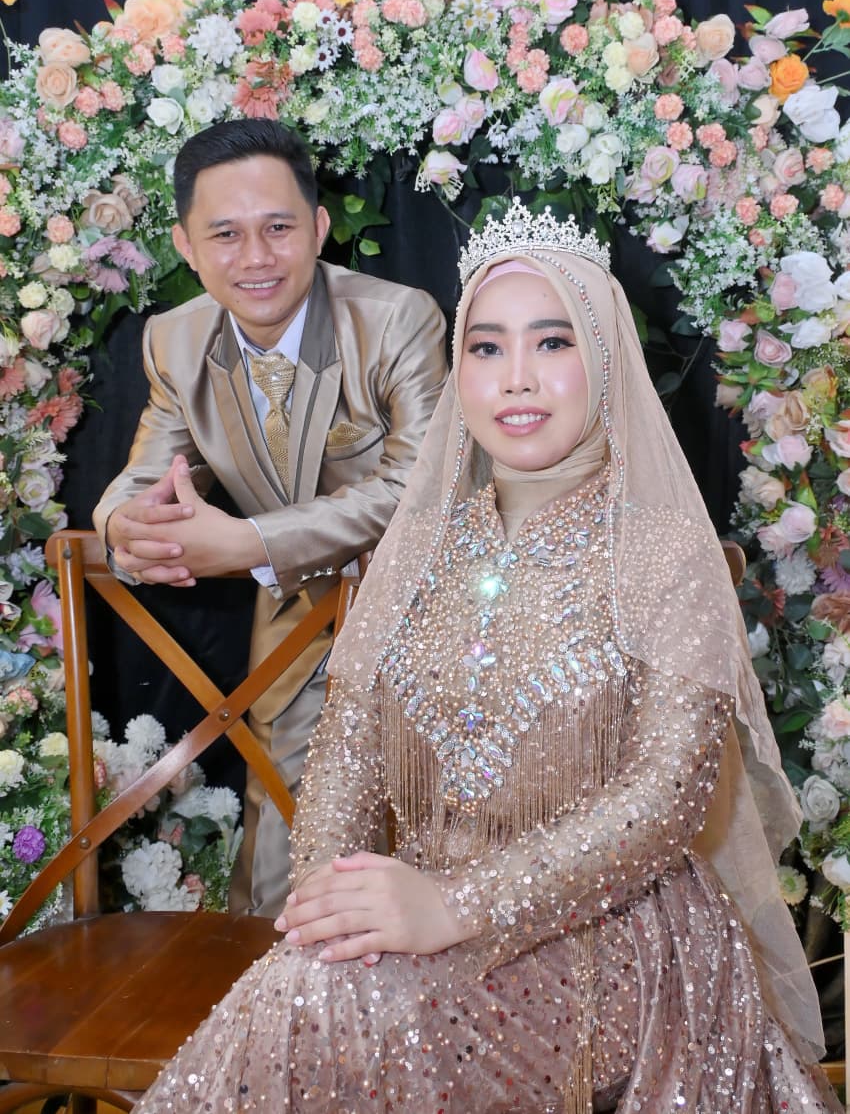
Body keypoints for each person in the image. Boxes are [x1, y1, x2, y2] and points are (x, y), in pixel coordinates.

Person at [133, 199, 839, 1112]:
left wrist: (458, 909)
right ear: (459, 372)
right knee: (318, 982)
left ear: (605, 359)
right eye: (487, 346)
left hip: (613, 932)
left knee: (334, 1006)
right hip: (417, 916)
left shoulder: (661, 550)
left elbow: (663, 802)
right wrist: (332, 905)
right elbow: (345, 754)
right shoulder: (421, 546)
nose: (517, 378)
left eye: (553, 342)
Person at [92, 118, 447, 917]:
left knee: (436, 836)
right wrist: (122, 528)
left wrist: (248, 542)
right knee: (285, 843)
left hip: (432, 613)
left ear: (318, 227)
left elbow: (419, 486)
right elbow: (142, 478)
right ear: (186, 246)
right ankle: (276, 983)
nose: (255, 256)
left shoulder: (396, 319)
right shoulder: (174, 340)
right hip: (294, 620)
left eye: (278, 227)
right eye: (225, 234)